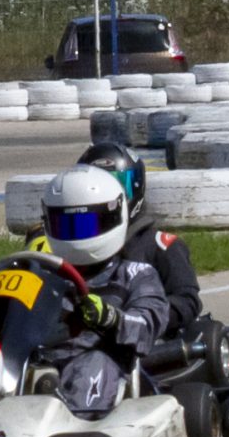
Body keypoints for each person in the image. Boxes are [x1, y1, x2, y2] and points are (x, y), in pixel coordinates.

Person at [32, 165, 173, 419]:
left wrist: (111, 318)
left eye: (84, 225)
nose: (74, 237)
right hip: (38, 362)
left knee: (93, 363)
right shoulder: (41, 275)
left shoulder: (134, 274)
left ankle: (77, 423)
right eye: (65, 226)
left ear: (113, 218)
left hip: (100, 364)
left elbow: (148, 325)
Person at [77, 139, 202, 334]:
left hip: (139, 340)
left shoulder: (160, 246)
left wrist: (128, 318)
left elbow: (187, 302)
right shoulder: (69, 246)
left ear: (135, 188)